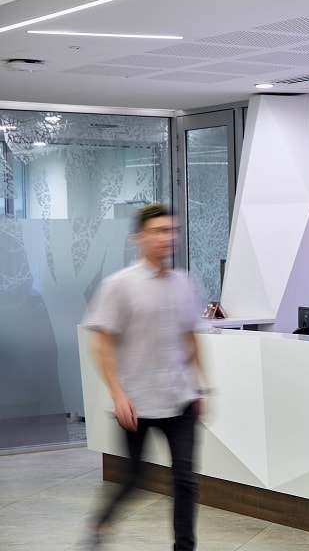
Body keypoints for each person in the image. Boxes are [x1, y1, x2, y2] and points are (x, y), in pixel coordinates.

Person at [82, 204, 209, 550]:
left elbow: (190, 336)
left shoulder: (185, 283)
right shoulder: (119, 285)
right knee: (135, 478)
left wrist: (200, 385)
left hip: (179, 398)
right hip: (136, 402)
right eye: (158, 231)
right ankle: (102, 521)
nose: (167, 238)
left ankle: (184, 547)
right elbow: (102, 344)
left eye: (172, 231)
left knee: (185, 480)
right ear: (139, 238)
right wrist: (118, 394)